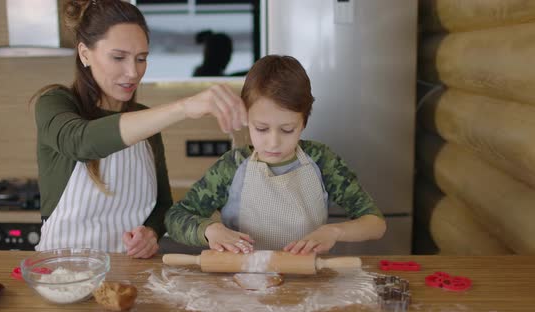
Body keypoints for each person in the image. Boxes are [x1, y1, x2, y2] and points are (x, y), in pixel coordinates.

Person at [31, 0, 247, 258]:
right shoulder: (55, 102)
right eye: (118, 57)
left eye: (141, 58)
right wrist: (184, 107)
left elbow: (162, 205)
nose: (133, 72)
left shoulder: (146, 122)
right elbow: (80, 141)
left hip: (131, 276)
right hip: (63, 272)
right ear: (85, 53)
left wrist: (152, 233)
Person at [165, 55, 386, 254]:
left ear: (304, 122)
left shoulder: (322, 160)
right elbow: (175, 218)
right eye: (261, 128)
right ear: (246, 117)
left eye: (287, 130)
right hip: (243, 285)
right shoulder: (231, 167)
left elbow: (375, 223)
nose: (273, 142)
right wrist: (210, 230)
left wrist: (334, 232)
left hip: (307, 285)